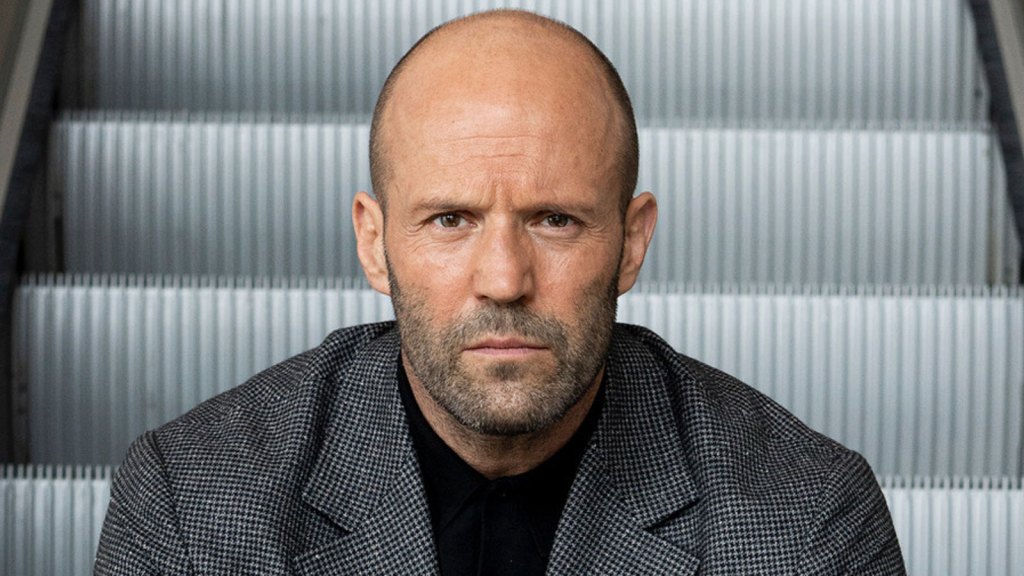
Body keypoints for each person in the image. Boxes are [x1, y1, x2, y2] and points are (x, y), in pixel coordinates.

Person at [95, 9, 905, 575]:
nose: (505, 281)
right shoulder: (193, 505)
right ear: (374, 243)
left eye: (555, 220)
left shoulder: (804, 521)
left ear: (632, 243)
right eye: (450, 220)